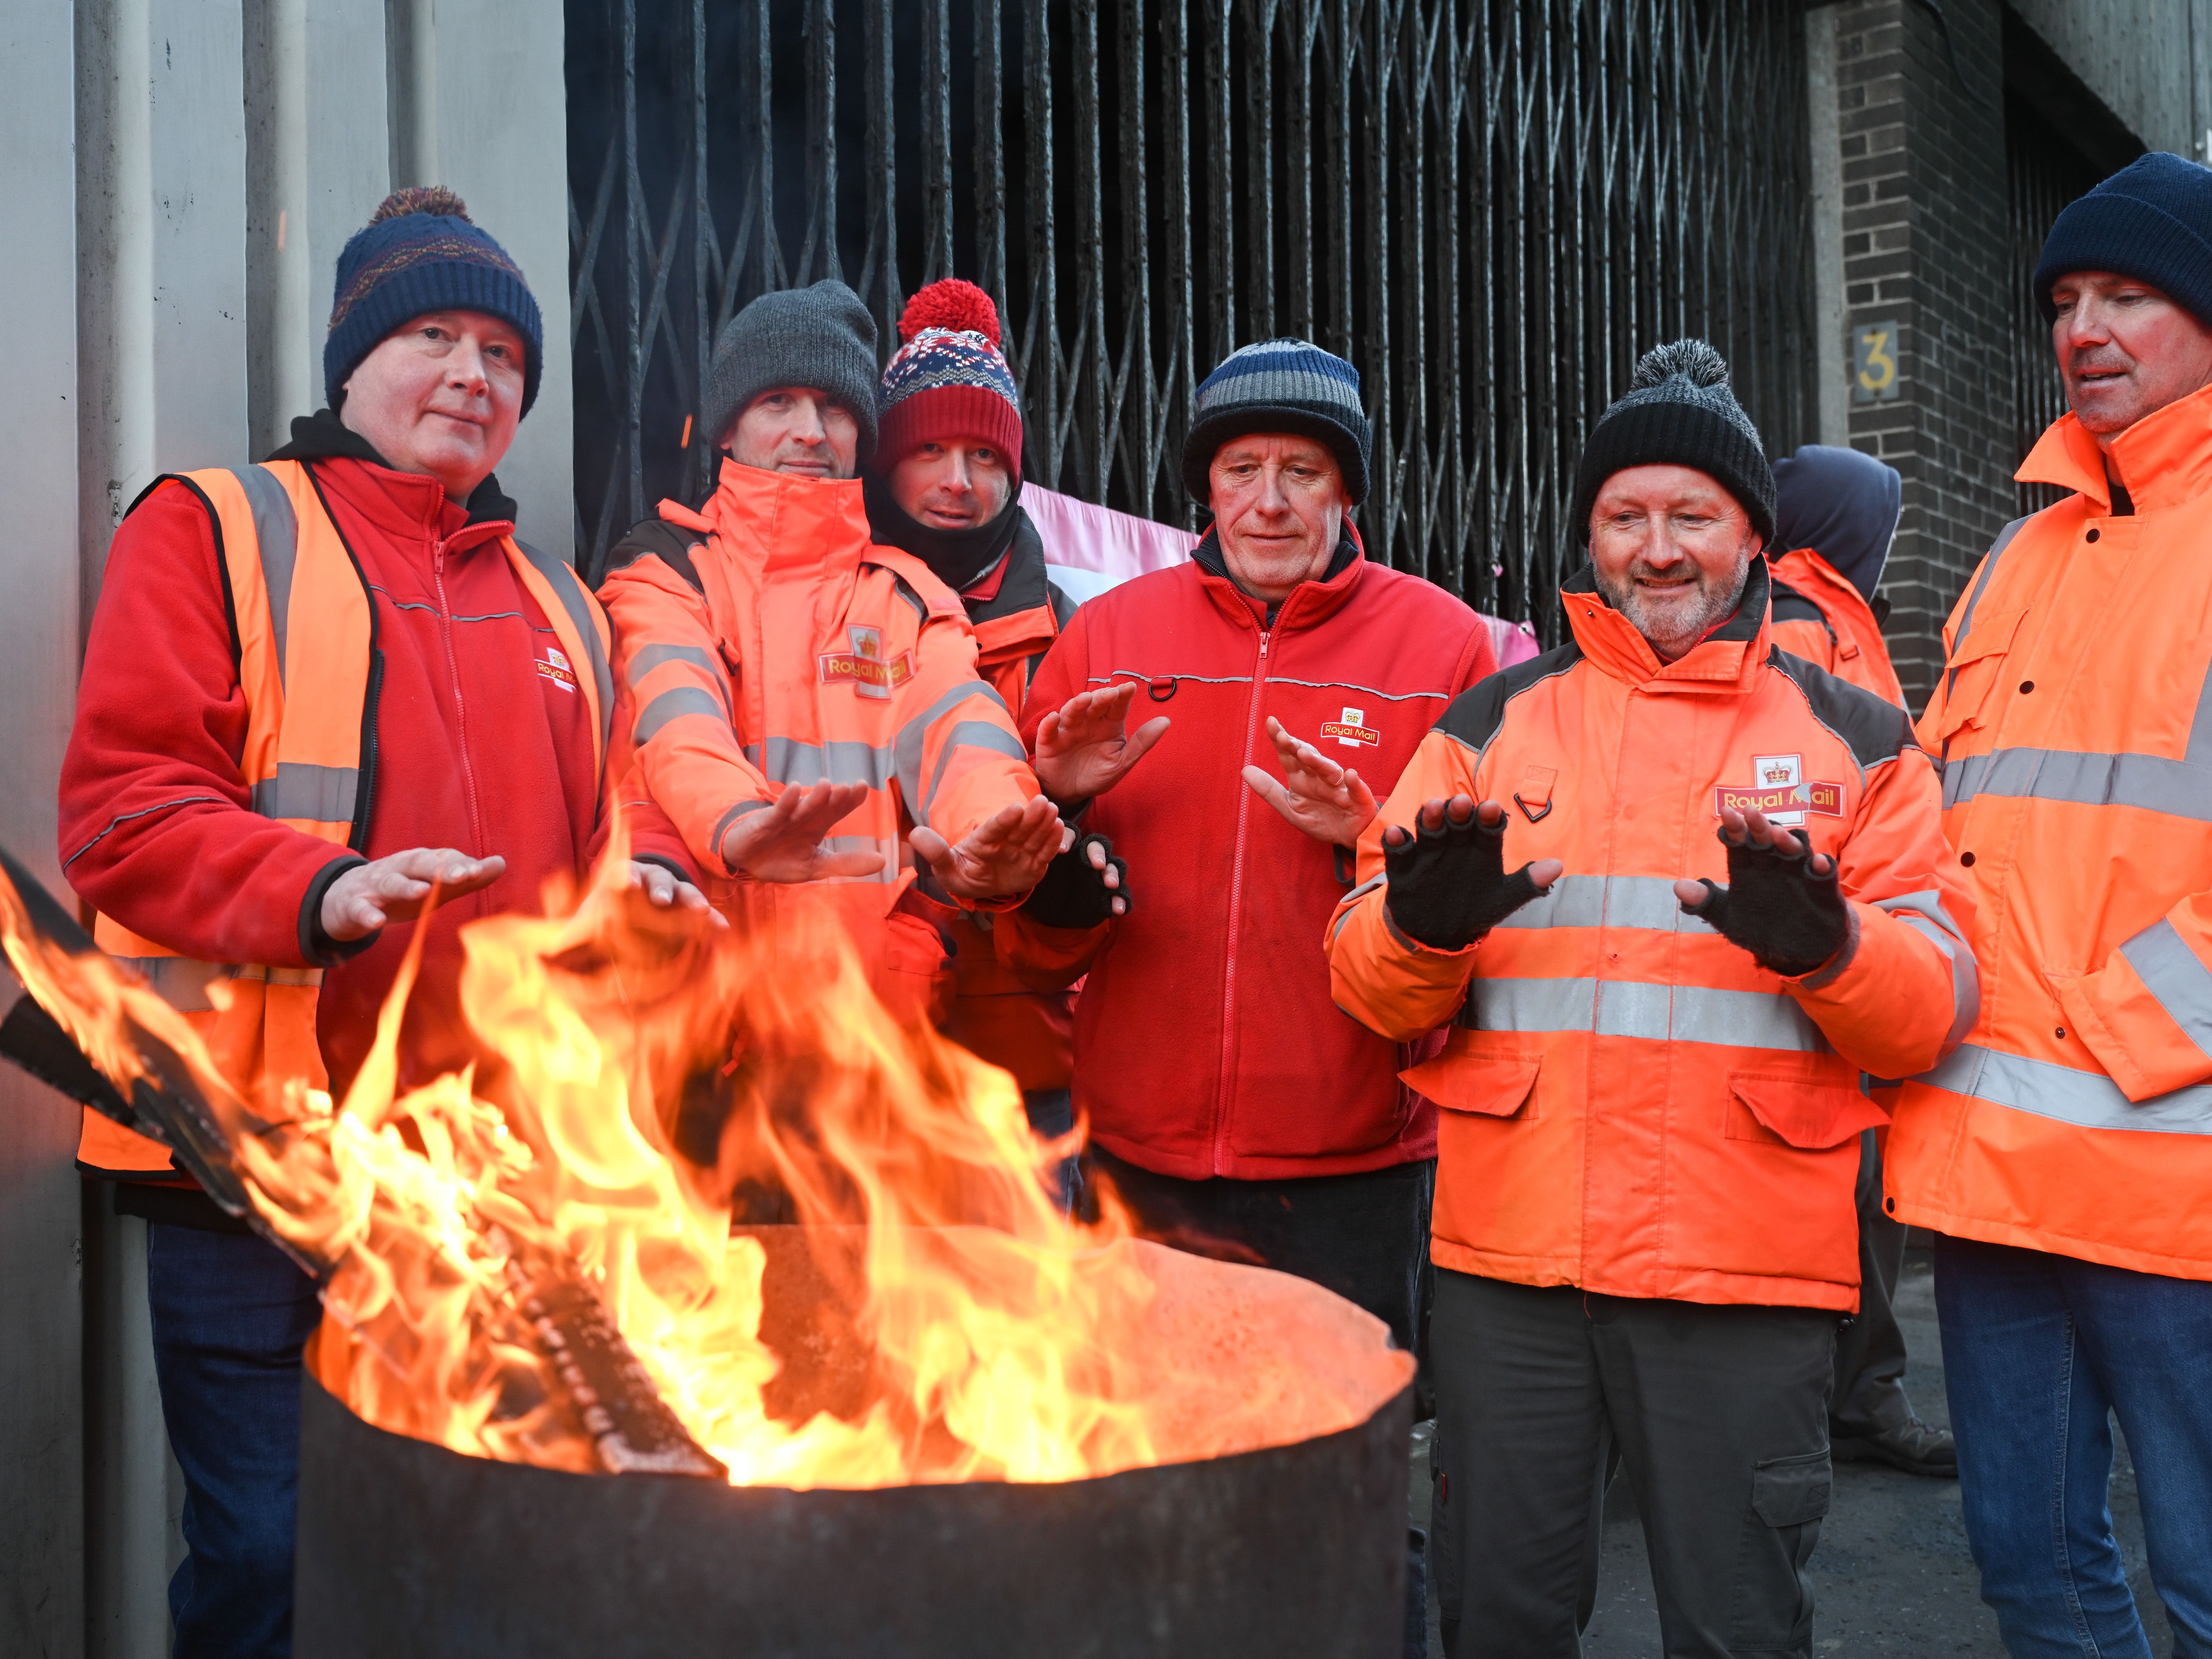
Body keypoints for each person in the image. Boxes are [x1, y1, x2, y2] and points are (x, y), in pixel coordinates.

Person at [58, 188, 690, 1659]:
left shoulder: (564, 606)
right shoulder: (213, 525)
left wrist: (655, 895)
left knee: (467, 1565)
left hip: (492, 1185)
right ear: (350, 366)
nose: (474, 373)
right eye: (432, 335)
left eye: (504, 354)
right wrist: (323, 890)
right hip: (253, 1166)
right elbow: (122, 817)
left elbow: (616, 836)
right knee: (276, 1564)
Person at [1324, 340, 1977, 1659]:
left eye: (1694, 515)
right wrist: (1416, 929)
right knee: (1501, 1618)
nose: (1659, 547)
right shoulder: (1487, 724)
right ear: (1592, 533)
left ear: (1753, 536)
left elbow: (1934, 1011)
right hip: (1513, 1274)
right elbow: (1365, 983)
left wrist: (1834, 945)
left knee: (1736, 1626)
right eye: (1627, 515)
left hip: (1745, 1278)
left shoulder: (1860, 741)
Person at [995, 336, 1497, 1366]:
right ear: (1206, 490)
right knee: (1149, 1465)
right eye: (1240, 471)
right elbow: (1035, 941)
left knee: (1331, 1477)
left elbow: (1474, 919)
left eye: (1301, 472)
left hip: (1353, 1162)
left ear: (1345, 493)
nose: (1269, 502)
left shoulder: (1441, 643)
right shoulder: (1104, 636)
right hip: (1139, 1152)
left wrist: (1358, 841)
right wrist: (1056, 806)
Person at [1887, 151, 2212, 1655]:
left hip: (2170, 1178)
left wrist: (2107, 1023)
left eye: (2129, 295)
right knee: (2033, 1575)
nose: (2085, 327)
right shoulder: (2020, 547)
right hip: (1980, 1163)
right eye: (2067, 298)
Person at [595, 280, 1072, 1030]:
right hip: (701, 1029)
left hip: (871, 1043)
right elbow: (676, 720)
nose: (812, 432)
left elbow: (965, 729)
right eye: (778, 401)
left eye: (837, 408)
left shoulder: (908, 596)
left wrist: (996, 831)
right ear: (726, 427)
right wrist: (737, 823)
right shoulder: (666, 569)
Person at [859, 278, 1098, 1182]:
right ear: (887, 464)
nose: (959, 483)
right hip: (851, 1061)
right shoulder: (827, 613)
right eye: (931, 452)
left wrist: (1065, 801)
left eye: (984, 456)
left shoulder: (1072, 634)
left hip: (1022, 1082)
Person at [1768, 445, 1955, 1479]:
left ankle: (1850, 1395)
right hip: (1840, 948)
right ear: (1848, 528)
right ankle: (1858, 1400)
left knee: (1857, 1187)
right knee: (1854, 1186)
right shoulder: (1806, 617)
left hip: (1850, 937)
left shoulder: (1832, 611)